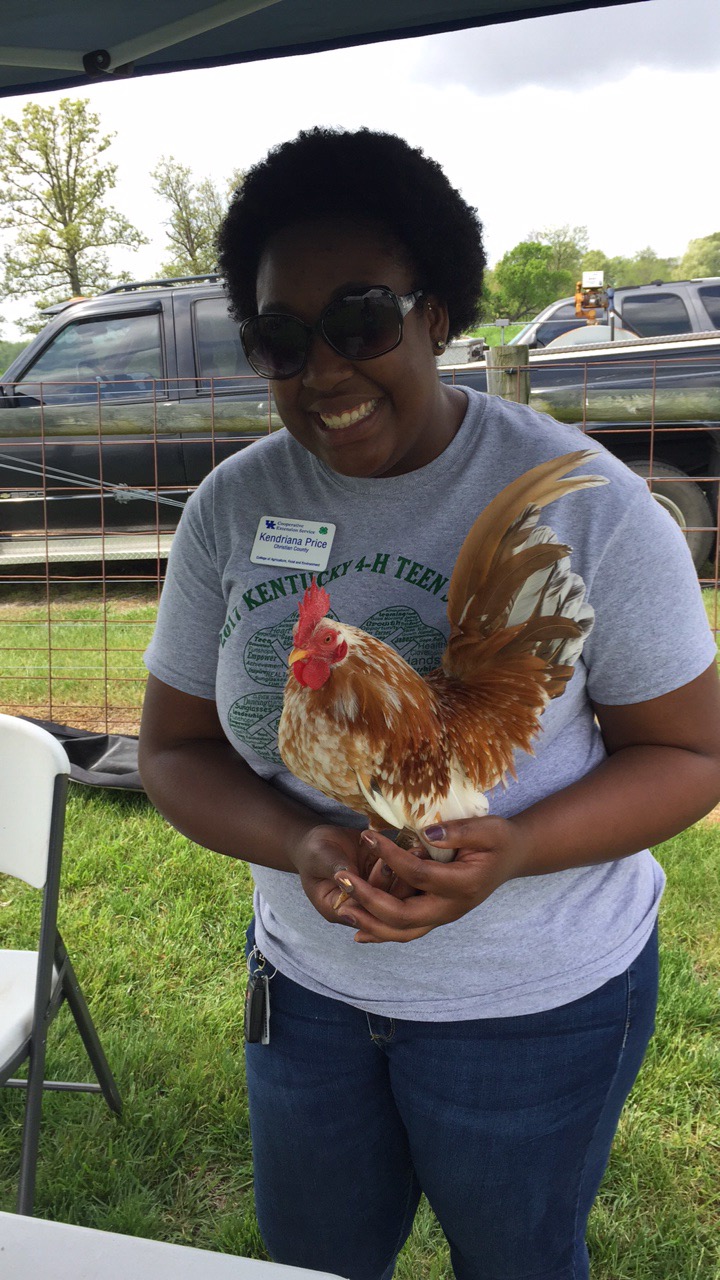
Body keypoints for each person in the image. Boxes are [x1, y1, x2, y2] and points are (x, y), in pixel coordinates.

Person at [138, 128, 720, 1280]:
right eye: (280, 339)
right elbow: (175, 747)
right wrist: (301, 836)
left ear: (439, 311)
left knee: (516, 1261)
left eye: (360, 321)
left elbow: (693, 751)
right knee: (315, 1259)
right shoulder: (231, 505)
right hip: (306, 987)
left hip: (536, 999)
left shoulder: (593, 502)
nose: (323, 371)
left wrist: (518, 849)